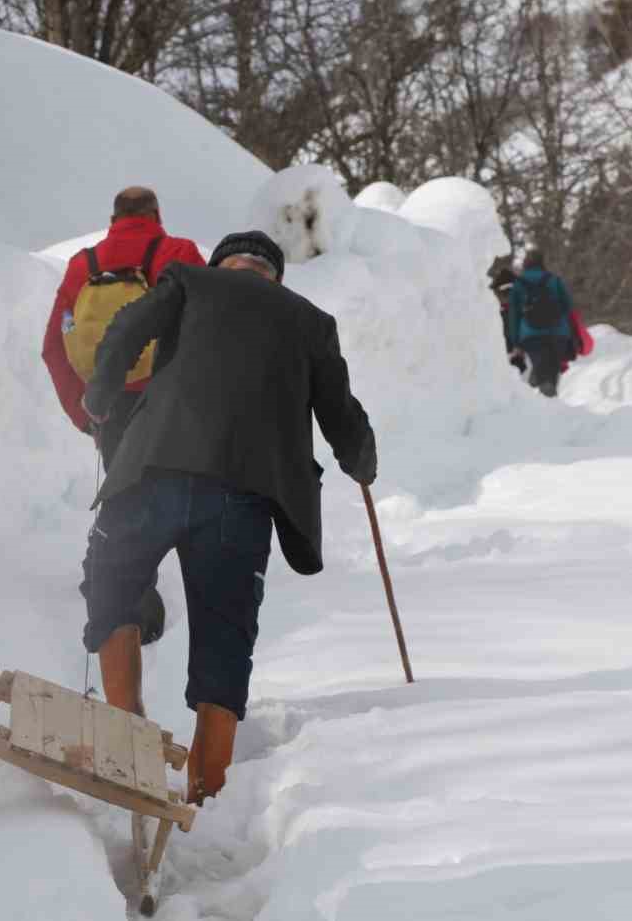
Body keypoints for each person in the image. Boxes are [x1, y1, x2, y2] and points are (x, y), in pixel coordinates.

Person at [79, 230, 377, 804]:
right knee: (225, 635)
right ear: (275, 276)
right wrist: (360, 460)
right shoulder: (309, 321)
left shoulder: (189, 282)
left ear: (222, 264)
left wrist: (101, 394)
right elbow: (339, 411)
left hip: (152, 474)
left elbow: (123, 332)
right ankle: (204, 795)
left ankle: (127, 740)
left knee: (111, 585)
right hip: (241, 499)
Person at [42, 186, 203, 646]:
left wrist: (88, 411)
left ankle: (113, 584)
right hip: (168, 399)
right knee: (167, 494)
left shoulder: (83, 266)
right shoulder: (178, 253)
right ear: (157, 214)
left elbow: (54, 346)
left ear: (113, 218)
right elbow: (209, 328)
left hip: (111, 404)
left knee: (126, 493)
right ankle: (133, 603)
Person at [506, 250, 575, 397]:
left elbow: (513, 315)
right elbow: (568, 306)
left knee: (541, 366)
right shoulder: (555, 280)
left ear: (525, 264)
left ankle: (538, 389)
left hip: (531, 335)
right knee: (551, 370)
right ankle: (544, 393)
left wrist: (515, 342)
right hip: (558, 333)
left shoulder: (518, 284)